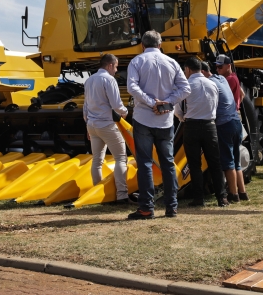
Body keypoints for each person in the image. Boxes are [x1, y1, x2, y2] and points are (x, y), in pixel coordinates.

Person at [126, 30, 191, 220]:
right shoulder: (171, 63)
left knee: (145, 164)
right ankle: (172, 206)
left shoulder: (137, 61)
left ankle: (146, 208)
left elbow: (132, 87)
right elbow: (185, 88)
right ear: (160, 45)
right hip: (165, 120)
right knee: (168, 163)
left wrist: (150, 102)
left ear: (142, 45)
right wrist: (167, 103)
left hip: (143, 118)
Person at [174, 58, 227, 207]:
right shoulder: (213, 84)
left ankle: (199, 199)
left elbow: (178, 110)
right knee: (215, 163)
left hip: (191, 126)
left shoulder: (186, 86)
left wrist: (183, 118)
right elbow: (215, 105)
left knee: (194, 164)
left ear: (188, 69)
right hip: (210, 126)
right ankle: (221, 197)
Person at [83, 53, 129, 204]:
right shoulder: (109, 79)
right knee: (121, 158)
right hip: (107, 124)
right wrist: (125, 111)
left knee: (97, 160)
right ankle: (122, 195)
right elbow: (116, 104)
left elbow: (85, 106)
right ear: (110, 65)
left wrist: (88, 125)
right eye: (115, 67)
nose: (116, 70)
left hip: (92, 125)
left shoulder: (89, 80)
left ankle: (97, 192)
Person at [203, 61, 248, 203]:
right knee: (236, 160)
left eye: (220, 66)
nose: (218, 69)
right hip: (236, 121)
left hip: (224, 124)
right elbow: (242, 94)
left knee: (227, 161)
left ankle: (233, 195)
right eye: (216, 67)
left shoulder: (210, 83)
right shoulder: (223, 79)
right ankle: (242, 193)